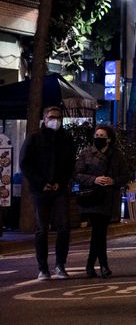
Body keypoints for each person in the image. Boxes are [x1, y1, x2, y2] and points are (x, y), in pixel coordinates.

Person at [19, 105, 75, 280]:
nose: (55, 120)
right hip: (40, 191)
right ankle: (43, 268)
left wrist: (60, 182)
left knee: (64, 227)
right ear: (45, 118)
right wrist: (41, 183)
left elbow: (70, 164)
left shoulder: (66, 139)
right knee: (42, 229)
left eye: (58, 117)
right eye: (52, 117)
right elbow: (25, 164)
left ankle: (60, 265)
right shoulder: (34, 138)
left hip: (60, 189)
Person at [74, 124, 130, 278]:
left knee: (99, 233)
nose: (98, 138)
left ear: (109, 139)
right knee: (99, 232)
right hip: (92, 197)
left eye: (102, 136)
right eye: (96, 135)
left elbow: (125, 176)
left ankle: (93, 265)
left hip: (108, 198)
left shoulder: (116, 155)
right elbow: (77, 174)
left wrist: (113, 181)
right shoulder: (86, 153)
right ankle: (100, 265)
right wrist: (94, 179)